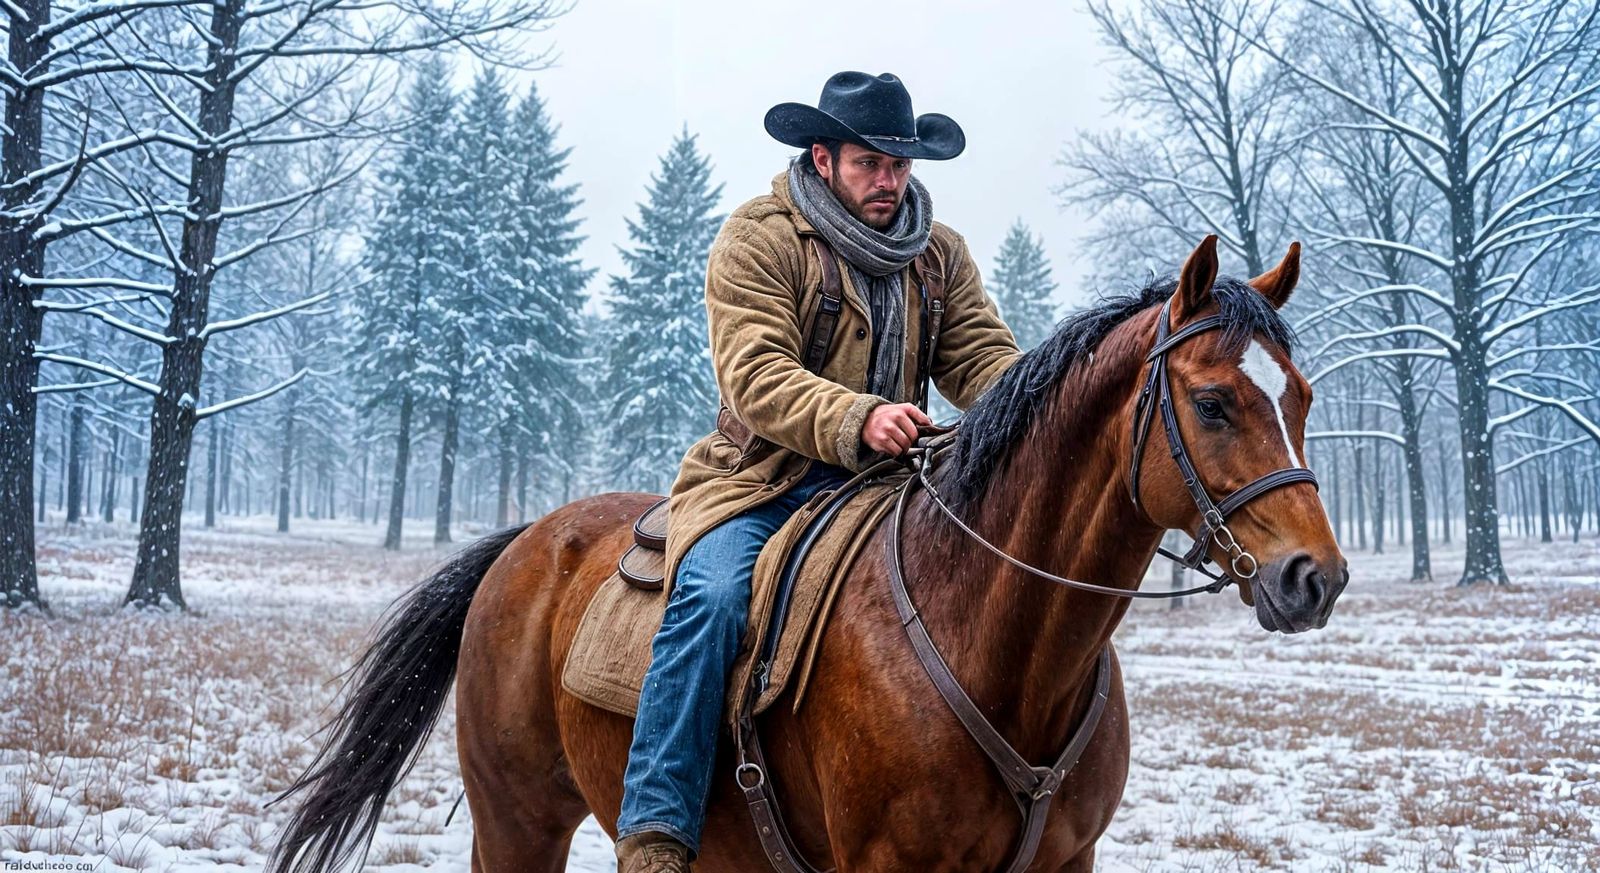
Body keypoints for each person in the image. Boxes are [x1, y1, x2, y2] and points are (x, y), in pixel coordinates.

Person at [614, 71, 1022, 873]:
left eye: (900, 167)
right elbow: (755, 373)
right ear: (823, 156)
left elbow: (981, 357)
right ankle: (658, 827)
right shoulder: (760, 236)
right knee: (715, 595)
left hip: (898, 485)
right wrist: (857, 416)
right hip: (761, 481)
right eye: (871, 163)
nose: (889, 182)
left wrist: (1045, 408)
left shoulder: (938, 254)